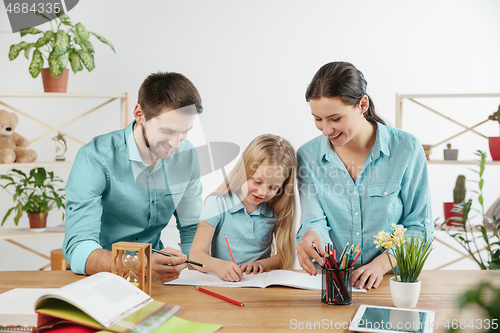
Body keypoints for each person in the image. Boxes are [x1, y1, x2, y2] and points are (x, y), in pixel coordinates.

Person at [296, 62, 433, 290]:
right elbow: (314, 220)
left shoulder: (406, 149)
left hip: (391, 283)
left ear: (362, 104)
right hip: (333, 284)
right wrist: (310, 235)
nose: (325, 130)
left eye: (335, 118)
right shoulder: (307, 156)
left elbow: (419, 227)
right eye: (318, 119)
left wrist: (380, 265)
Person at [63, 72, 204, 282]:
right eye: (167, 131)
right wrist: (138, 264)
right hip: (96, 278)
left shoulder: (186, 155)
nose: (176, 143)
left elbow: (191, 228)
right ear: (140, 114)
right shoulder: (95, 158)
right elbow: (78, 248)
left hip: (153, 280)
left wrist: (196, 274)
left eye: (184, 132)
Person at [189, 134, 297, 282]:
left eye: (273, 187)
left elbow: (285, 256)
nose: (262, 192)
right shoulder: (217, 203)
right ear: (243, 171)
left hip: (259, 286)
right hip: (222, 283)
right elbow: (196, 254)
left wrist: (261, 264)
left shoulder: (276, 209)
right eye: (257, 181)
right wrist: (218, 266)